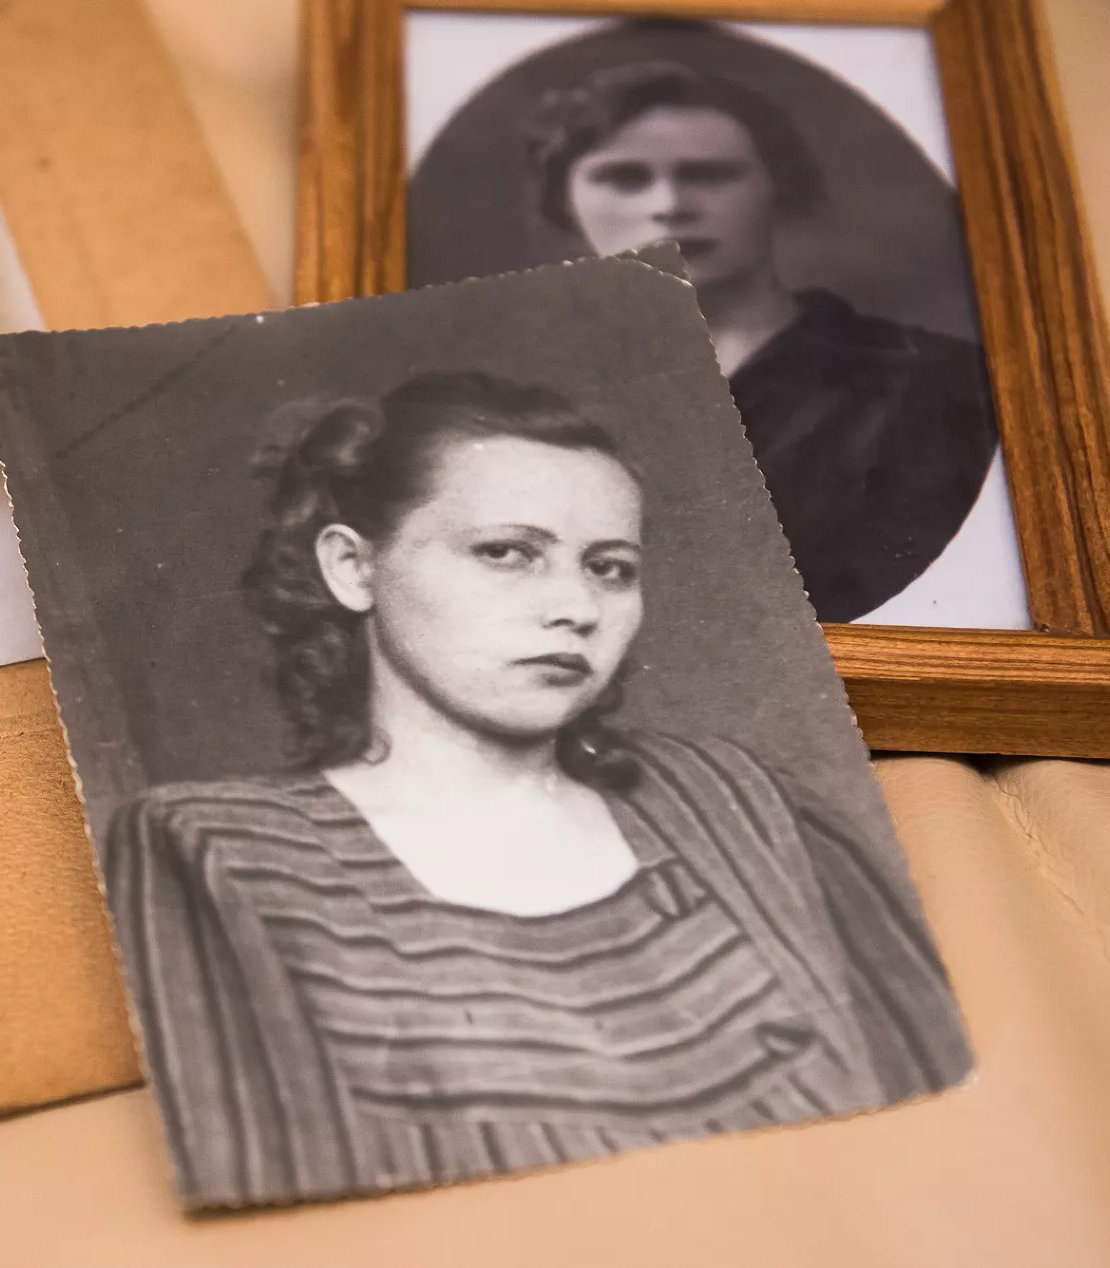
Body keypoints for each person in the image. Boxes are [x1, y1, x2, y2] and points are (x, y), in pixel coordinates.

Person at [103, 372, 972, 1207]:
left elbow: (941, 1102)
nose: (575, 608)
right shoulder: (216, 851)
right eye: (507, 553)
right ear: (353, 567)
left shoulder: (732, 798)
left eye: (610, 568)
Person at [531, 60, 998, 622]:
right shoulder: (520, 393)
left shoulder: (936, 385)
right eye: (625, 178)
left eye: (711, 175)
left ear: (779, 188)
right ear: (566, 203)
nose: (669, 204)